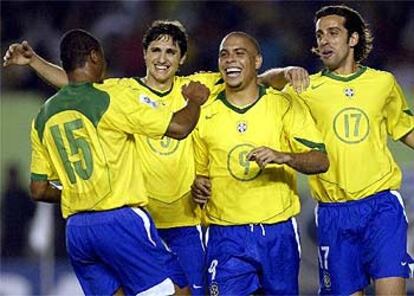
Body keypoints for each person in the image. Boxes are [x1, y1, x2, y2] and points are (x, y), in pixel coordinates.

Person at [2, 20, 310, 295]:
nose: (163, 58)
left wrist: (285, 72)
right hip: (139, 220)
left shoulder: (198, 84)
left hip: (184, 222)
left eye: (171, 52)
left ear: (181, 59)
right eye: (156, 50)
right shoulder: (121, 92)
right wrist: (34, 63)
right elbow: (75, 83)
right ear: (145, 54)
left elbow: (255, 80)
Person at [27, 28, 210, 295]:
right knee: (179, 291)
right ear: (94, 57)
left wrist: (80, 193)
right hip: (120, 221)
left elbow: (38, 189)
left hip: (77, 231)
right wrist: (194, 101)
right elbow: (180, 128)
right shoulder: (111, 99)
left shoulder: (43, 116)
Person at [283, 5, 414, 295]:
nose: (324, 41)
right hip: (334, 213)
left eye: (333, 33)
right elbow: (258, 87)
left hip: (382, 206)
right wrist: (284, 71)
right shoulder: (304, 89)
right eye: (319, 36)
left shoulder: (382, 83)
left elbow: (406, 130)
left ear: (353, 39)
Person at [191, 31, 329, 295]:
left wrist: (284, 156)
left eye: (239, 53)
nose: (230, 59)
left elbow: (321, 160)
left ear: (257, 61)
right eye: (224, 54)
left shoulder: (284, 105)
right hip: (225, 235)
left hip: (277, 232)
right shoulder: (204, 111)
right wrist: (198, 184)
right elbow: (199, 174)